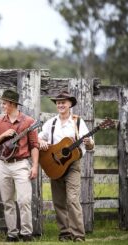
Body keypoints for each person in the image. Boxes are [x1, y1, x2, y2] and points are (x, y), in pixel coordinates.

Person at [38, 91, 94, 242]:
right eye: (58, 102)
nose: (61, 105)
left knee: (72, 200)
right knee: (59, 201)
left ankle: (78, 235)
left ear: (70, 104)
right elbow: (38, 137)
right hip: (55, 165)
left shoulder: (78, 122)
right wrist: (41, 141)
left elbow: (90, 144)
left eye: (63, 102)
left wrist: (89, 143)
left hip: (72, 165)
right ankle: (64, 233)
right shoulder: (51, 123)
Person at [0, 89, 39, 242]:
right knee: (7, 201)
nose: (2, 106)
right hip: (3, 165)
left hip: (21, 164)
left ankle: (26, 233)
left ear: (12, 104)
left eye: (4, 103)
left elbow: (34, 145)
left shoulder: (28, 122)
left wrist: (35, 166)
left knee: (24, 200)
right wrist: (3, 135)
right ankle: (12, 234)